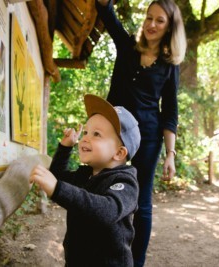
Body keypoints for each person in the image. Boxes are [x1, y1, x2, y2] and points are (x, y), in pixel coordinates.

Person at [95, 0, 187, 266]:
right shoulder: (128, 47)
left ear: (170, 27)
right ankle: (106, 255)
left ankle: (136, 263)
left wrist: (170, 154)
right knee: (106, 192)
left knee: (142, 204)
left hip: (148, 137)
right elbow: (108, 15)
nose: (151, 24)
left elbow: (170, 111)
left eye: (159, 20)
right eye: (149, 18)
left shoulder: (170, 64)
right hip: (115, 132)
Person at [30, 94, 141, 266]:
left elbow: (107, 210)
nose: (86, 138)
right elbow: (57, 177)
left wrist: (57, 188)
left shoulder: (125, 183)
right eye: (87, 132)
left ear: (119, 153)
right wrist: (65, 148)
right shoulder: (85, 175)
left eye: (97, 134)